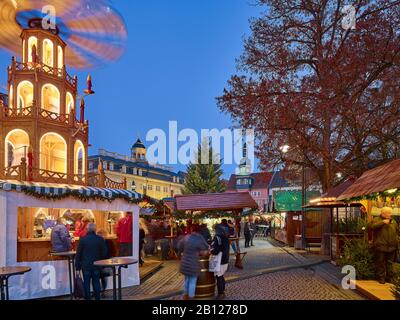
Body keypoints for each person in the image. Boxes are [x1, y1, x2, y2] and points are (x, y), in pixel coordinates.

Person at [75, 223, 107, 300]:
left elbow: (78, 254)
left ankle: (88, 298)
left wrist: (77, 267)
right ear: (95, 230)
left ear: (87, 229)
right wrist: (100, 261)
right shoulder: (100, 239)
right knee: (96, 282)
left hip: (86, 265)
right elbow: (104, 253)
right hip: (97, 265)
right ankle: (97, 298)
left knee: (86, 283)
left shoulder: (83, 240)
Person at [178, 224, 209, 300]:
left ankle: (185, 296)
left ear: (192, 230)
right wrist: (204, 252)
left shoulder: (186, 237)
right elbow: (204, 250)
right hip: (193, 263)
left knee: (187, 280)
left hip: (185, 262)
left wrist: (183, 251)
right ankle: (191, 298)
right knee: (192, 281)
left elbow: (179, 246)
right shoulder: (199, 238)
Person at [369, 207, 399, 284]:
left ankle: (389, 278)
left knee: (390, 263)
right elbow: (372, 227)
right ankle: (381, 278)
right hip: (381, 246)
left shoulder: (393, 221)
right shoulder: (376, 219)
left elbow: (397, 231)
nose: (390, 214)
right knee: (380, 263)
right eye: (388, 213)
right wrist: (382, 222)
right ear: (383, 213)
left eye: (390, 213)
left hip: (392, 247)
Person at [211, 224, 230, 299]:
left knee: (218, 276)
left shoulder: (217, 237)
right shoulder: (225, 236)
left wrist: (211, 251)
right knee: (221, 275)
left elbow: (216, 250)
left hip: (219, 259)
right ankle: (222, 291)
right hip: (225, 258)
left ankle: (221, 293)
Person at [96, 229, 112, 298]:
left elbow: (110, 253)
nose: (100, 236)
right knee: (99, 278)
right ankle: (100, 291)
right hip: (99, 263)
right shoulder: (96, 242)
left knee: (103, 277)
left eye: (102, 234)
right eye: (99, 234)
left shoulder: (108, 242)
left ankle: (102, 291)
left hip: (104, 264)